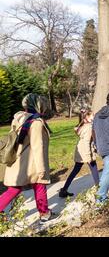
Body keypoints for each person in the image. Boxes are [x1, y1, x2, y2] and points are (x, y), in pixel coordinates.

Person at [0, 94, 57, 224]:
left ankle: (44, 212)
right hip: (31, 161)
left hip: (17, 159)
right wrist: (42, 168)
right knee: (39, 184)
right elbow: (38, 147)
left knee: (15, 188)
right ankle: (44, 214)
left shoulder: (19, 118)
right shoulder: (36, 123)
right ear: (39, 106)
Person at [58, 109, 100, 198]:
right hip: (86, 151)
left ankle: (63, 190)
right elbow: (87, 142)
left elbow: (81, 135)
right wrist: (89, 156)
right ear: (86, 118)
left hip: (80, 150)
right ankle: (100, 189)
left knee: (75, 170)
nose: (94, 117)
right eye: (92, 116)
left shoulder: (82, 126)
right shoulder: (89, 128)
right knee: (94, 169)